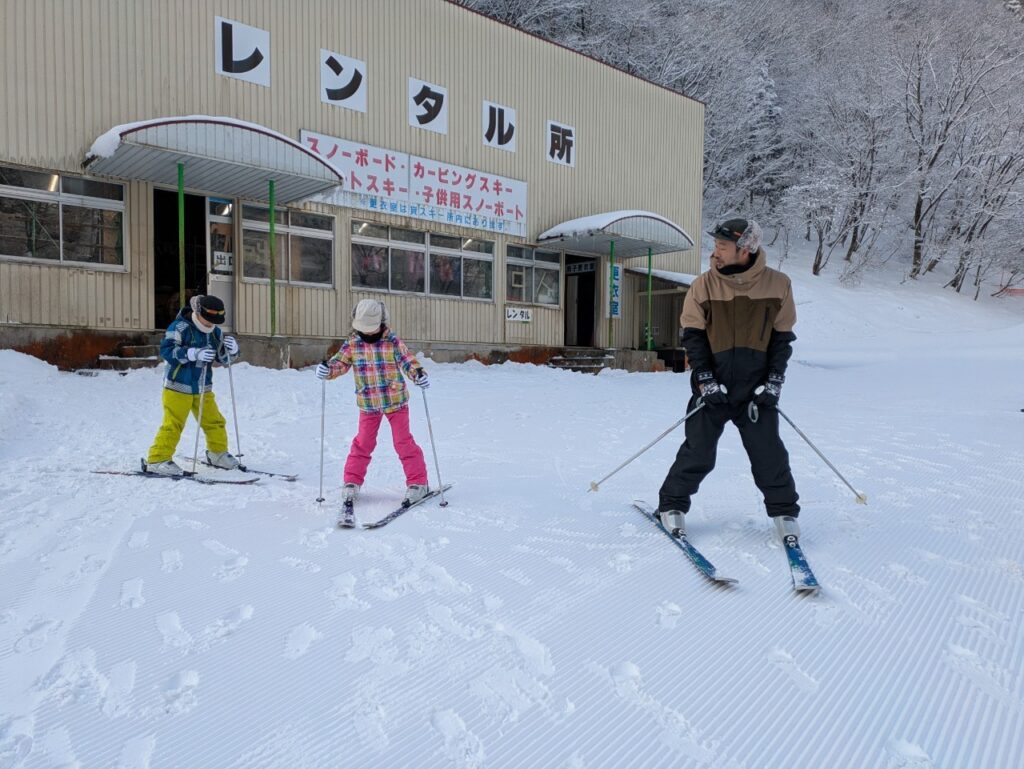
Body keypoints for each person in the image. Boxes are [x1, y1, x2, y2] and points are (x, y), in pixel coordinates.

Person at [657, 218, 801, 542]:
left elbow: (782, 339)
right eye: (716, 245)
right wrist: (705, 378)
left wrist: (774, 380)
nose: (716, 252)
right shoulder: (704, 285)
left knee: (769, 455)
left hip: (755, 392)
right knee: (698, 452)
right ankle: (671, 506)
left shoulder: (779, 285)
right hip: (714, 389)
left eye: (722, 246)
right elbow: (692, 336)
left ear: (745, 249)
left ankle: (784, 514)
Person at [315, 299, 431, 505]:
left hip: (395, 400)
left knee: (403, 442)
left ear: (381, 321)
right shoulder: (352, 343)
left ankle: (418, 482)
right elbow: (339, 364)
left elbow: (407, 361)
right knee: (363, 443)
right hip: (368, 402)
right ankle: (351, 481)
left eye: (371, 327)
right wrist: (327, 371)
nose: (367, 332)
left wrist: (418, 374)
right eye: (363, 328)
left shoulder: (392, 341)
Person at [145, 294, 241, 476]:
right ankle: (157, 459)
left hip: (203, 386)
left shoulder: (215, 332)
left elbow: (222, 358)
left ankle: (217, 453)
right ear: (198, 313)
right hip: (178, 386)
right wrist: (191, 353)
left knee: (214, 421)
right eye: (208, 321)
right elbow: (167, 351)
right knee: (173, 424)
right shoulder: (180, 328)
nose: (210, 325)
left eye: (215, 322)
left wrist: (232, 351)